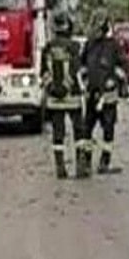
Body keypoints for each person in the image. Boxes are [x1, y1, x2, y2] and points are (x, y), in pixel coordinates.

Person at [78, 12, 128, 178]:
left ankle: (104, 162)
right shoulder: (89, 44)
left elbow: (123, 66)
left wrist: (114, 80)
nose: (95, 31)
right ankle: (85, 161)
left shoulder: (113, 46)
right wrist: (85, 82)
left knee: (108, 129)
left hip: (108, 96)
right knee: (86, 129)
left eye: (98, 28)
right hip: (92, 94)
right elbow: (82, 65)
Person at [41, 12, 84, 179]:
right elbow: (76, 70)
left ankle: (60, 167)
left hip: (54, 99)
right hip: (72, 96)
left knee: (58, 132)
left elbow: (43, 72)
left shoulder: (48, 47)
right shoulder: (74, 47)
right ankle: (80, 165)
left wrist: (52, 87)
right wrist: (67, 86)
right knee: (78, 130)